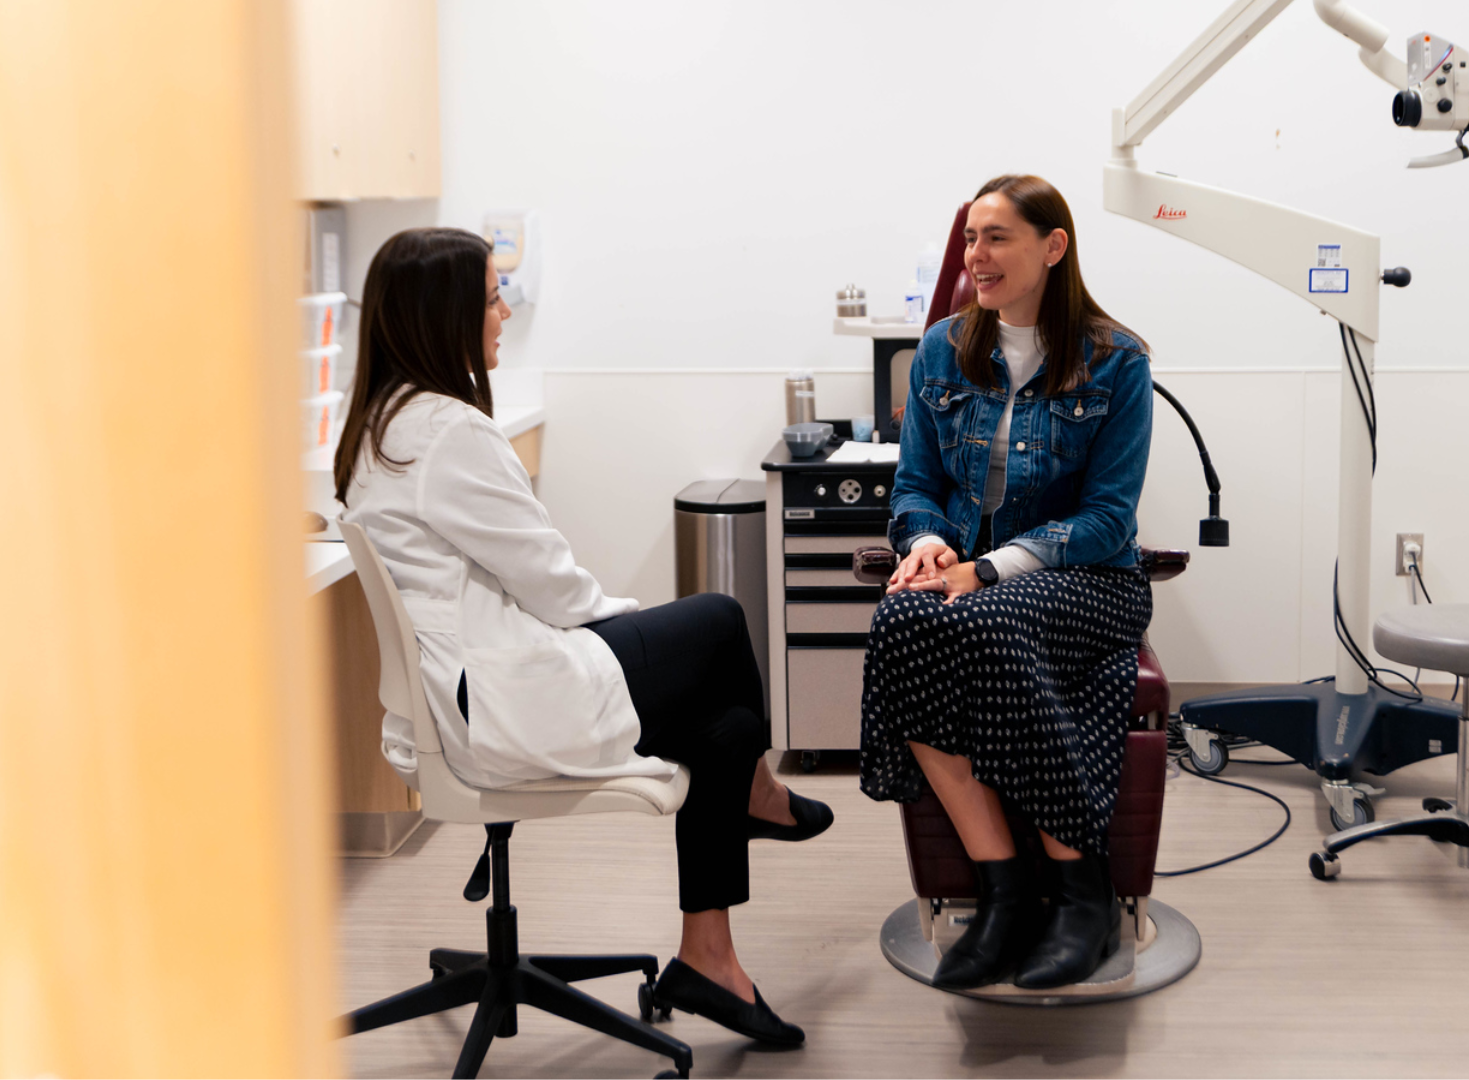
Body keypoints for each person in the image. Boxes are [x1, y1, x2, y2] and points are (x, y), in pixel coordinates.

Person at [335, 227, 830, 1046]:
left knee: (728, 728)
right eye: (493, 295)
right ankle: (757, 792)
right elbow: (555, 585)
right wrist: (628, 615)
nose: (504, 312)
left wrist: (619, 623)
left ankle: (711, 961)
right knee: (717, 619)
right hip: (503, 701)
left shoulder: (383, 426)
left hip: (465, 693)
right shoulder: (450, 433)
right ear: (445, 314)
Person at [860, 175, 1154, 991]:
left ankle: (1082, 895)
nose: (975, 258)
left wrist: (985, 569)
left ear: (1052, 247)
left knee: (982, 619)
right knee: (899, 626)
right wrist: (922, 545)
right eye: (969, 240)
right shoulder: (942, 352)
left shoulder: (1117, 362)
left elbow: (1108, 520)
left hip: (1088, 581)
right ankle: (1004, 892)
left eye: (996, 239)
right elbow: (914, 484)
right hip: (966, 577)